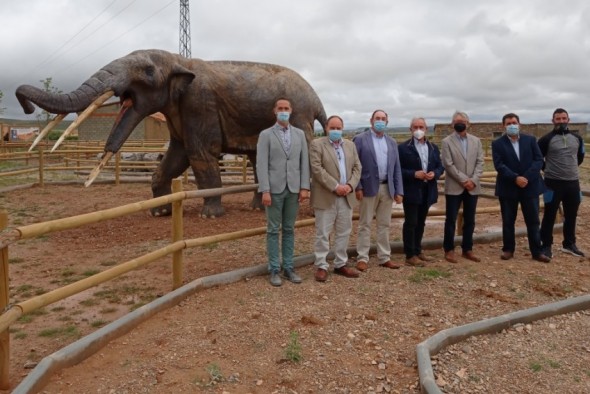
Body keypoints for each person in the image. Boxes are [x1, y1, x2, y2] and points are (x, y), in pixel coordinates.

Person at [256, 98, 310, 286]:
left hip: (293, 189)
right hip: (274, 189)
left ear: (291, 110)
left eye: (286, 108)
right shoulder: (266, 135)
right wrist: (265, 190)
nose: (283, 111)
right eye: (280, 108)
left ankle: (288, 267)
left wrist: (304, 187)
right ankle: (273, 269)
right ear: (274, 111)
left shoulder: (300, 134)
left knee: (289, 229)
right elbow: (261, 163)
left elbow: (304, 162)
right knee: (272, 230)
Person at [492, 113, 550, 263]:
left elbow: (538, 160)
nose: (512, 125)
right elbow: (499, 165)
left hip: (530, 187)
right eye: (508, 123)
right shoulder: (497, 144)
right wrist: (515, 178)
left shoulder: (530, 140)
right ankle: (508, 249)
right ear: (503, 126)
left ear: (519, 124)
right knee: (508, 221)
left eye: (514, 122)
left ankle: (537, 251)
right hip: (508, 187)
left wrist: (527, 177)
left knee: (533, 221)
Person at [310, 115, 362, 282]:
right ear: (326, 128)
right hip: (327, 195)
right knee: (323, 233)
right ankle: (321, 265)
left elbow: (357, 167)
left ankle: (340, 264)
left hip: (346, 196)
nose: (335, 131)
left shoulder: (350, 145)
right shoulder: (317, 144)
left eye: (338, 128)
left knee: (343, 232)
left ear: (343, 128)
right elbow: (317, 169)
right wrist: (335, 186)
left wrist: (350, 185)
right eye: (332, 128)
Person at [353, 109, 404, 271]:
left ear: (387, 122)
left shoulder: (392, 142)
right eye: (377, 118)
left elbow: (396, 168)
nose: (380, 121)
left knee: (384, 224)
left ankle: (384, 257)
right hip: (368, 188)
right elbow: (355, 165)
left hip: (387, 188)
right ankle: (362, 257)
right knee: (365, 224)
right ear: (371, 121)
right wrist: (358, 186)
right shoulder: (360, 140)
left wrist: (398, 190)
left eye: (383, 119)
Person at [538, 108, 586, 258]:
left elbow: (580, 157)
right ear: (553, 121)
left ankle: (569, 244)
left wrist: (568, 169)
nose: (561, 121)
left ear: (568, 120)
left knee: (571, 215)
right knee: (549, 215)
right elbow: (539, 159)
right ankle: (546, 246)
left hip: (573, 183)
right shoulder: (546, 139)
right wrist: (549, 170)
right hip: (552, 183)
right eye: (558, 119)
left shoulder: (577, 138)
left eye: (563, 118)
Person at [398, 117, 444, 267]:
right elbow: (398, 170)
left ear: (426, 129)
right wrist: (413, 174)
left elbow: (440, 166)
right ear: (410, 129)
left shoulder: (433, 148)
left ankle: (418, 250)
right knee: (411, 222)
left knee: (421, 222)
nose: (418, 130)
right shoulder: (403, 148)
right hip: (411, 189)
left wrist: (435, 174)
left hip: (427, 189)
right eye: (415, 127)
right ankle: (410, 254)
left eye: (421, 127)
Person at [441, 111, 484, 263]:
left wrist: (473, 180)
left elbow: (480, 162)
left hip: (473, 187)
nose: (460, 123)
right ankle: (449, 249)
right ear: (452, 124)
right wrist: (465, 180)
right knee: (451, 219)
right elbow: (448, 164)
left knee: (470, 219)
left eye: (463, 121)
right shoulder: (446, 141)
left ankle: (467, 249)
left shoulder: (476, 141)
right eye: (457, 121)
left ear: (468, 123)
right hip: (455, 186)